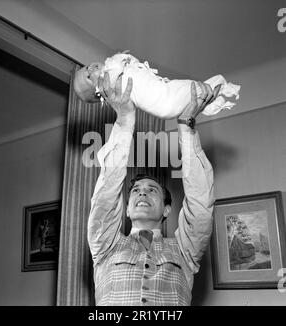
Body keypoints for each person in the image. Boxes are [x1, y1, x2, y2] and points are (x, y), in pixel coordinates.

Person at [87, 72, 219, 306]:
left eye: (152, 190)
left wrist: (186, 127)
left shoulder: (184, 251)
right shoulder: (105, 246)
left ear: (167, 210)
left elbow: (200, 204)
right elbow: (106, 197)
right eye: (136, 190)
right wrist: (125, 120)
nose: (142, 193)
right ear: (126, 210)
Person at [74, 52, 240, 119]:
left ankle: (212, 99)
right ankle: (220, 89)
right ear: (96, 91)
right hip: (161, 98)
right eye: (88, 76)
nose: (91, 68)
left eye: (87, 66)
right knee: (192, 88)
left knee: (193, 92)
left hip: (163, 100)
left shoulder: (114, 79)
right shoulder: (109, 80)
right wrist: (120, 56)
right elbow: (118, 64)